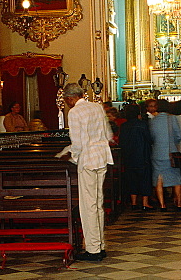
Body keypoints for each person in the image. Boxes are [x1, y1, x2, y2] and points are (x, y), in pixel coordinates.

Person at [60, 83, 113, 262]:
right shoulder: (97, 107)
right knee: (98, 203)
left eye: (66, 100)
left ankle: (93, 249)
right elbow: (108, 133)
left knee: (88, 205)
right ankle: (100, 245)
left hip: (88, 160)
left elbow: (78, 142)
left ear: (70, 98)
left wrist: (72, 158)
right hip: (102, 157)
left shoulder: (75, 112)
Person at [148, 99, 181, 209]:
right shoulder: (172, 118)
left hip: (157, 153)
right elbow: (178, 135)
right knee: (176, 178)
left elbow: (151, 137)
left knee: (159, 178)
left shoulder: (153, 120)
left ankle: (162, 204)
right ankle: (179, 203)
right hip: (171, 152)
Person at [118, 103, 153, 210]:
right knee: (145, 179)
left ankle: (133, 203)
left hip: (128, 156)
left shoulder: (124, 126)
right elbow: (149, 139)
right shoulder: (142, 125)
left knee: (131, 179)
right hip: (142, 156)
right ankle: (145, 203)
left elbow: (121, 142)